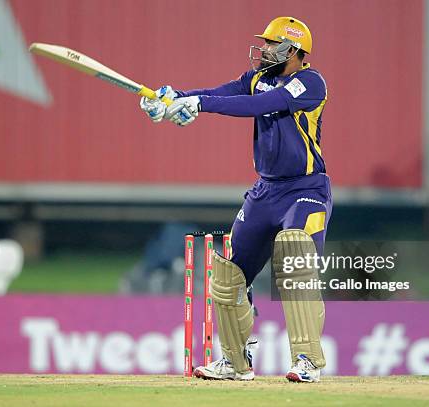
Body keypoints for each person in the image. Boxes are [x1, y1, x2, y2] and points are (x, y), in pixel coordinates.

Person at [140, 16, 331, 383]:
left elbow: (258, 106)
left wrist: (198, 104)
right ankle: (233, 362)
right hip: (265, 190)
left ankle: (307, 360)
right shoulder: (258, 78)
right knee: (228, 276)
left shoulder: (309, 82)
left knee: (295, 256)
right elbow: (223, 92)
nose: (263, 50)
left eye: (272, 45)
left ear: (293, 51)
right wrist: (168, 97)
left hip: (306, 189)